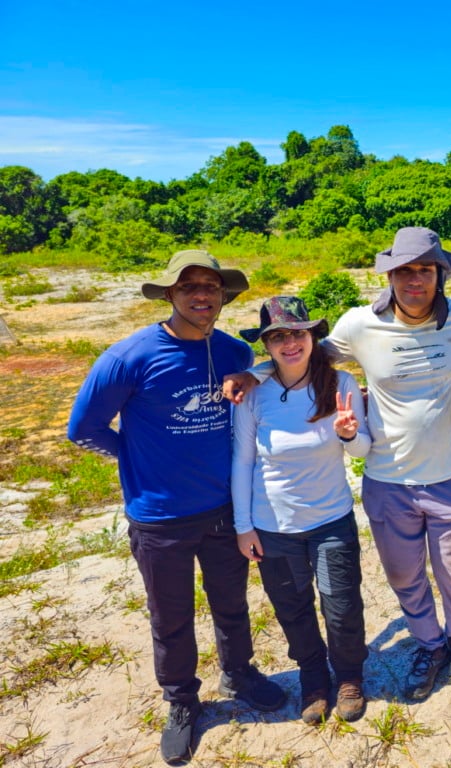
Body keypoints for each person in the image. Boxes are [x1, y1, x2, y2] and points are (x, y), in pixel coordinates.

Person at [224, 227, 451, 701]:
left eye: (424, 269)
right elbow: (300, 356)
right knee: (406, 576)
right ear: (388, 275)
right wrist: (254, 371)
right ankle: (430, 645)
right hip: (388, 479)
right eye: (403, 270)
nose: (414, 280)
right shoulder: (359, 323)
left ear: (439, 274)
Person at [67, 250, 285, 765]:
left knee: (231, 603)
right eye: (189, 288)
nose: (202, 295)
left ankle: (240, 672)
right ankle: (182, 701)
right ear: (169, 295)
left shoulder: (232, 352)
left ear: (223, 295)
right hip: (159, 515)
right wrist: (134, 458)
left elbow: (270, 364)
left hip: (223, 509)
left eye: (211, 286)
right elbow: (83, 429)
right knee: (171, 616)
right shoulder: (130, 357)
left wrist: (253, 373)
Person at [231, 296, 371, 725]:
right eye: (278, 337)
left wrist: (349, 434)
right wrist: (243, 527)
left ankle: (348, 677)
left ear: (312, 336)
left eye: (297, 333)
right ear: (267, 345)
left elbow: (363, 449)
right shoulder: (255, 393)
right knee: (292, 608)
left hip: (331, 520)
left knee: (342, 605)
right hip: (273, 527)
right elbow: (242, 460)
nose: (290, 344)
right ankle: (313, 679)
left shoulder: (341, 384)